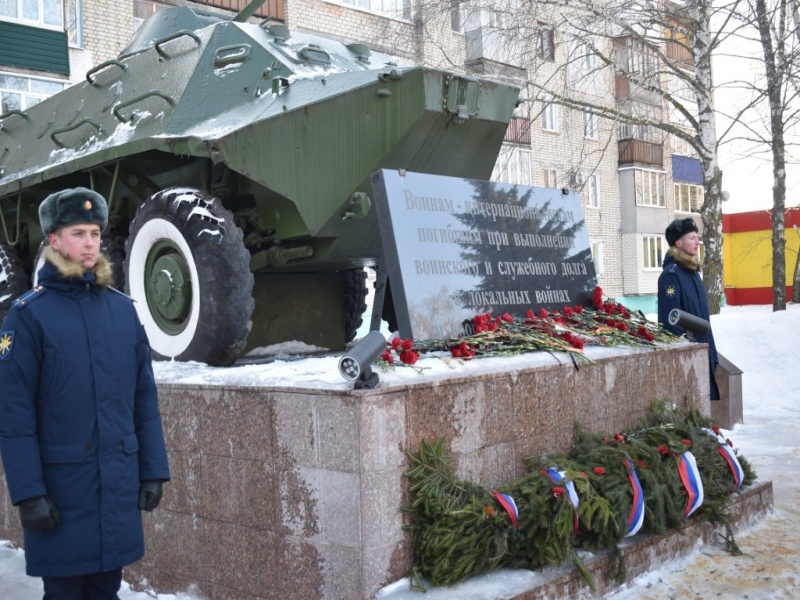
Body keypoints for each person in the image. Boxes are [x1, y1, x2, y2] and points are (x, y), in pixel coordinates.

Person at [0, 188, 170, 599]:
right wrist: (28, 493)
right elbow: (13, 416)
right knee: (63, 592)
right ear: (54, 240)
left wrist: (152, 470)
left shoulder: (122, 311)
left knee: (106, 589)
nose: (90, 242)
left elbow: (143, 402)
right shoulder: (28, 317)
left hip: (115, 487)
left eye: (95, 232)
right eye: (78, 232)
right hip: (61, 493)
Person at [657, 217, 720, 401]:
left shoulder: (693, 273)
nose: (697, 242)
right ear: (679, 242)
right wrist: (687, 356)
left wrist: (712, 355)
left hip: (703, 352)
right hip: (688, 360)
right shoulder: (672, 275)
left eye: (697, 237)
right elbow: (671, 321)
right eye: (692, 237)